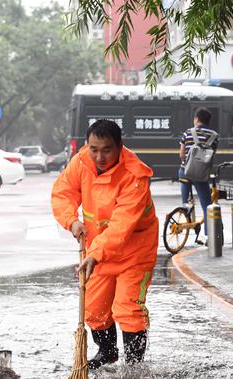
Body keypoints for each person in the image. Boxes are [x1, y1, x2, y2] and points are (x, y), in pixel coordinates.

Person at [51, 119, 158, 369]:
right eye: (94, 149)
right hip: (98, 249)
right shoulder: (81, 162)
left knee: (127, 308)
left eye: (106, 150)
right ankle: (108, 351)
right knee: (94, 309)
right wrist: (71, 221)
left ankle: (134, 366)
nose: (99, 156)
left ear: (120, 147)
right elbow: (62, 193)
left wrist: (95, 253)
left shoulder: (135, 176)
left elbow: (121, 227)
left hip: (135, 250)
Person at [179, 107, 219, 245]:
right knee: (207, 205)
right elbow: (211, 155)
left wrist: (185, 163)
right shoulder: (214, 136)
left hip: (186, 171)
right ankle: (208, 236)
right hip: (201, 175)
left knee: (184, 177)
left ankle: (185, 205)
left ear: (196, 119)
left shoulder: (188, 132)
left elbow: (182, 154)